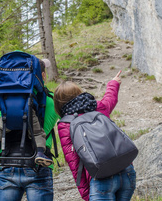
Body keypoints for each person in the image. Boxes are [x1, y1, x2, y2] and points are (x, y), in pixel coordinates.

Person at [54, 71, 136, 201]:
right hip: (126, 171)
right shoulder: (97, 106)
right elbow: (110, 98)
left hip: (100, 179)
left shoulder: (65, 124)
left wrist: (86, 194)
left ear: (58, 103)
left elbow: (74, 162)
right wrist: (113, 83)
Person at [0, 58, 60, 201]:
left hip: (7, 164)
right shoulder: (51, 102)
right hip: (38, 165)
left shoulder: (3, 98)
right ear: (42, 75)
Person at [0, 59, 53, 167]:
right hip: (27, 115)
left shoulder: (5, 91)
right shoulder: (44, 96)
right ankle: (40, 153)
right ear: (42, 75)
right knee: (37, 133)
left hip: (7, 117)